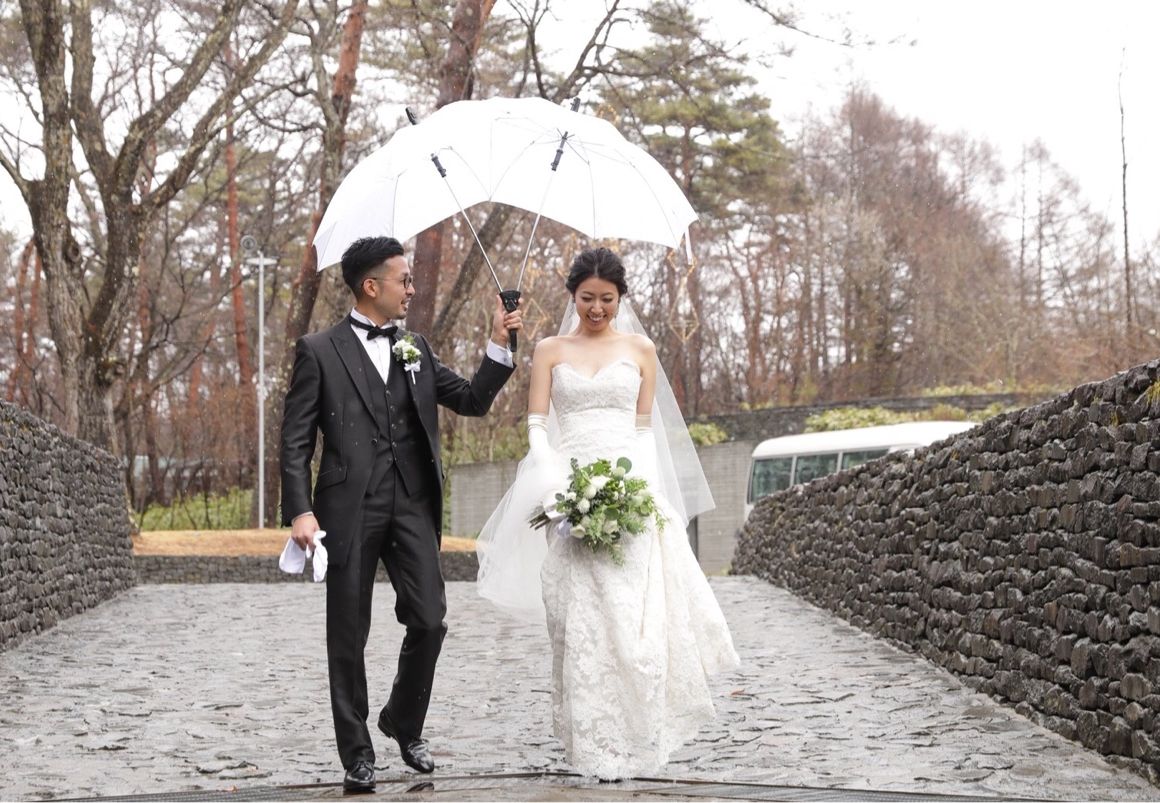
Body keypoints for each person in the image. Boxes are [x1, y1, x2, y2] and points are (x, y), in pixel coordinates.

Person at [476, 247, 740, 780]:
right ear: (572, 297)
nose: (597, 308)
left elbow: (643, 430)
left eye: (607, 299)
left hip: (629, 489)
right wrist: (555, 483)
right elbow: (536, 424)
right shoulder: (550, 350)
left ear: (621, 299)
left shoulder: (641, 349)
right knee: (580, 621)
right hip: (566, 493)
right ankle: (593, 741)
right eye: (587, 298)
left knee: (630, 618)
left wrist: (635, 488)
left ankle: (639, 731)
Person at [279, 235, 522, 793]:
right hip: (348, 508)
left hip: (412, 503)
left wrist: (499, 341)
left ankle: (403, 720)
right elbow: (294, 441)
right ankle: (357, 753)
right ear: (371, 286)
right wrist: (300, 511)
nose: (411, 289)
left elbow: (472, 400)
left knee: (430, 618)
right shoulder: (318, 350)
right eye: (403, 280)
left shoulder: (415, 348)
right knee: (348, 632)